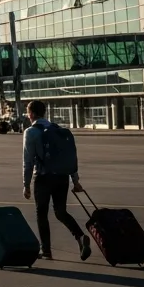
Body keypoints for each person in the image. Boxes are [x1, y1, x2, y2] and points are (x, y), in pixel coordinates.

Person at [22, 100, 92, 261]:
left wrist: (26, 184)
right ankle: (80, 237)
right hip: (62, 177)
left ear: (32, 114)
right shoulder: (58, 130)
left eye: (28, 112)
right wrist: (75, 180)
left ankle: (46, 250)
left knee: (41, 213)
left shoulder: (31, 132)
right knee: (61, 212)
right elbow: (70, 157)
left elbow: (28, 161)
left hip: (43, 177)